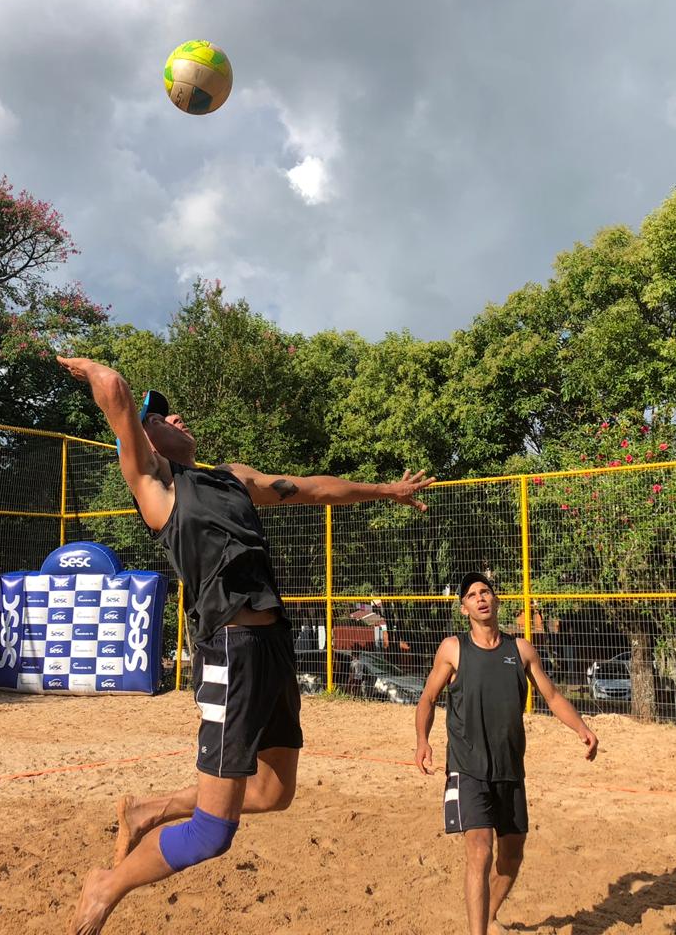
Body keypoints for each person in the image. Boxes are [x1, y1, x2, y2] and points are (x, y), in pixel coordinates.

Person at [56, 356, 434, 935]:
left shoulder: (232, 477)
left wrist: (387, 490)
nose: (174, 416)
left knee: (274, 792)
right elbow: (116, 396)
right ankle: (107, 884)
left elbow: (310, 489)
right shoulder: (156, 487)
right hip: (229, 649)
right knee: (213, 834)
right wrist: (90, 369)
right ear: (144, 441)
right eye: (160, 415)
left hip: (274, 648)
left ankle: (148, 810)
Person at [414, 572, 599, 935]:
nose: (480, 598)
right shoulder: (453, 648)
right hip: (467, 769)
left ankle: (489, 914)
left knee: (511, 857)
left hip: (510, 768)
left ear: (496, 600)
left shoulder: (521, 649)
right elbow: (427, 698)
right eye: (472, 595)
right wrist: (422, 739)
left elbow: (553, 697)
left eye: (485, 592)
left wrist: (582, 728)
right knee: (480, 851)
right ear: (464, 607)